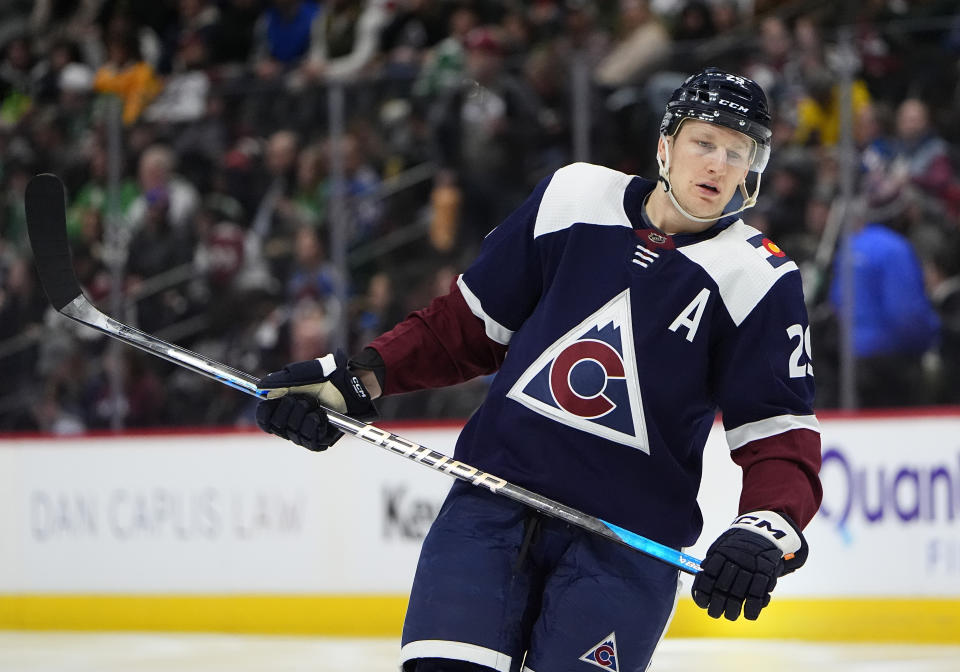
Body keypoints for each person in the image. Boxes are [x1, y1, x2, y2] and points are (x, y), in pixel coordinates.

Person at [255, 68, 823, 671]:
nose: (718, 164)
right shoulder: (572, 198)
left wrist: (763, 530)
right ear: (667, 145)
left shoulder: (760, 278)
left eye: (737, 153)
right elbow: (466, 328)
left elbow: (779, 437)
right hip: (491, 508)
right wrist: (359, 379)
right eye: (704, 142)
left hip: (625, 549)